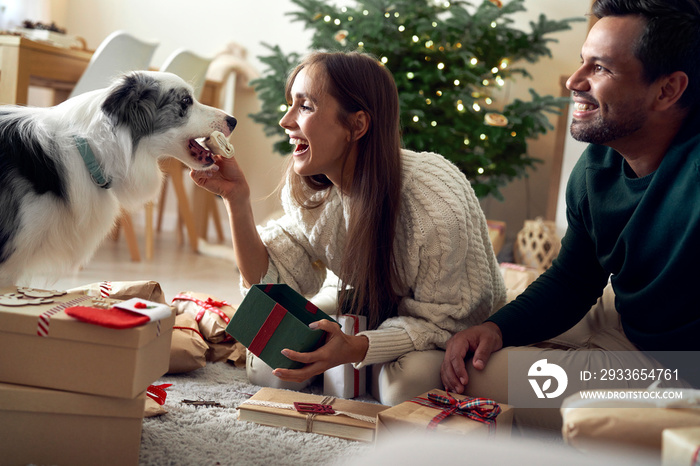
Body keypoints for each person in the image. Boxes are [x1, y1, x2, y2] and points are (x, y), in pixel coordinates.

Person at [191, 51, 506, 406]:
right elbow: (271, 284)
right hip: (364, 298)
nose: (285, 120)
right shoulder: (312, 190)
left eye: (305, 106)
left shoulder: (434, 204)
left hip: (444, 319)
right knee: (271, 366)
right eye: (289, 104)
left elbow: (447, 318)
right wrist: (237, 199)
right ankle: (347, 359)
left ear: (357, 125)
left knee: (400, 388)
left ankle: (355, 360)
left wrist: (357, 346)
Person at [441, 0, 700, 426]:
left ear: (667, 90)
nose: (574, 81)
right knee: (455, 355)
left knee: (471, 380)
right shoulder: (596, 165)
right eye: (583, 62)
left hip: (672, 369)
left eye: (601, 68)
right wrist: (498, 329)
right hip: (626, 322)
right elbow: (573, 279)